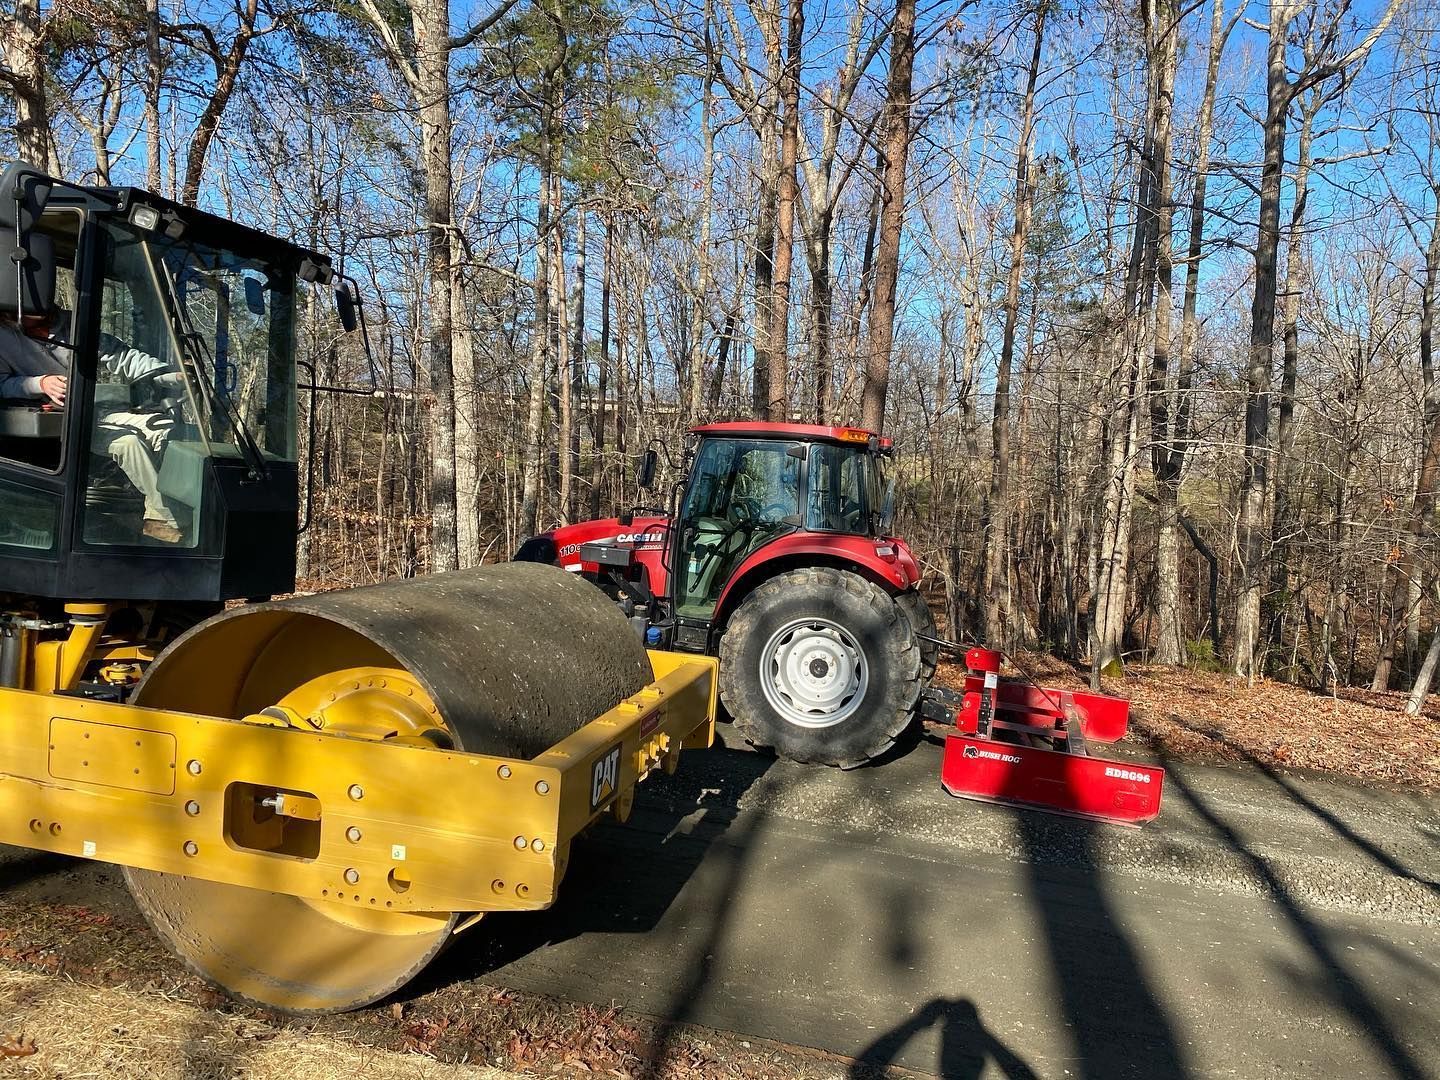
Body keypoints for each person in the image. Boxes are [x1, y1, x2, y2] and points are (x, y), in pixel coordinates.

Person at [0, 312, 184, 543]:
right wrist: (40, 384)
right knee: (128, 443)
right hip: (60, 421)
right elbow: (2, 384)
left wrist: (171, 374)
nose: (41, 302)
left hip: (93, 410)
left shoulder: (74, 324)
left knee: (164, 429)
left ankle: (165, 514)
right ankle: (165, 520)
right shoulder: (4, 337)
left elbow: (119, 355)